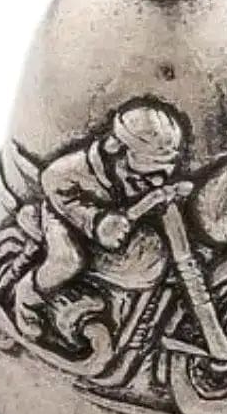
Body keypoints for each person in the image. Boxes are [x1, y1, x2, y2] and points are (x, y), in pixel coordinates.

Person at [14, 101, 185, 341]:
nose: (154, 181)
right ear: (115, 147)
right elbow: (51, 181)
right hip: (65, 216)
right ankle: (27, 295)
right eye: (146, 170)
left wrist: (165, 195)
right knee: (68, 260)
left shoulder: (136, 176)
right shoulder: (71, 168)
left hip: (115, 221)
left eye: (161, 173)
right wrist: (95, 221)